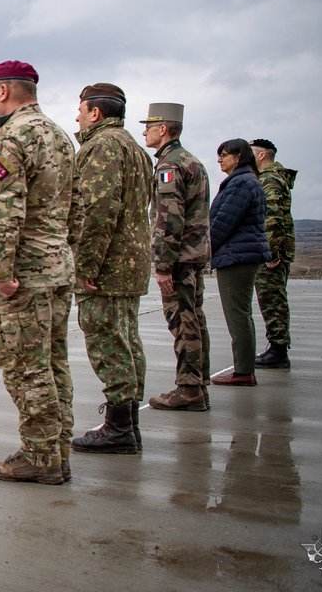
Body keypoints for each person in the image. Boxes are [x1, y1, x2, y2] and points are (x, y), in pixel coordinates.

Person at [0, 61, 76, 485]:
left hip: (24, 273)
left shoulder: (11, 137)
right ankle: (56, 448)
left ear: (5, 92)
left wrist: (1, 272)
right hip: (54, 267)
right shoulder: (59, 135)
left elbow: (4, 210)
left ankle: (40, 455)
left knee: (24, 367)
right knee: (52, 364)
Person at [69, 83, 152, 455]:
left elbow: (97, 213)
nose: (77, 116)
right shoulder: (135, 148)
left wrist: (84, 266)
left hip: (107, 265)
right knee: (128, 341)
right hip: (129, 263)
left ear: (96, 113)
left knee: (108, 342)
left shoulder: (102, 147)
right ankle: (128, 423)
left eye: (81, 109)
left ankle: (119, 428)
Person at [141, 103, 212, 412]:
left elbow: (170, 219)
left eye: (150, 126)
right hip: (192, 255)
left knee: (183, 322)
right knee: (194, 319)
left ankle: (189, 388)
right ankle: (197, 383)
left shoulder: (170, 165)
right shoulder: (191, 161)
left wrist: (164, 264)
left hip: (179, 258)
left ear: (164, 129)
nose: (145, 131)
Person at [208, 139, 272, 387]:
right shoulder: (244, 180)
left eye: (224, 154)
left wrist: (204, 249)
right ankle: (244, 368)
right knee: (241, 314)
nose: (219, 159)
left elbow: (223, 222)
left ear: (239, 156)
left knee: (237, 315)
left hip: (237, 256)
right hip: (241, 253)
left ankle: (244, 370)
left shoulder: (241, 183)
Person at [249, 138, 297, 369]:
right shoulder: (272, 177)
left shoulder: (269, 179)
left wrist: (271, 251)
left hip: (272, 252)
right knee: (272, 298)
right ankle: (276, 347)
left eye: (250, 153)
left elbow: (272, 216)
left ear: (261, 156)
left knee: (272, 300)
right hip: (275, 249)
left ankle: (278, 349)